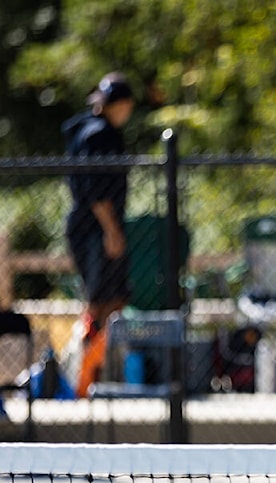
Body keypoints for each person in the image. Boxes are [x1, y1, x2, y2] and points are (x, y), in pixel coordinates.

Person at [62, 72, 136, 397]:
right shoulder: (98, 135)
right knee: (99, 303)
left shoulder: (88, 131)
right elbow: (95, 192)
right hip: (95, 228)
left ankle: (102, 372)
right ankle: (83, 376)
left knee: (114, 300)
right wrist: (111, 230)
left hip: (94, 226)